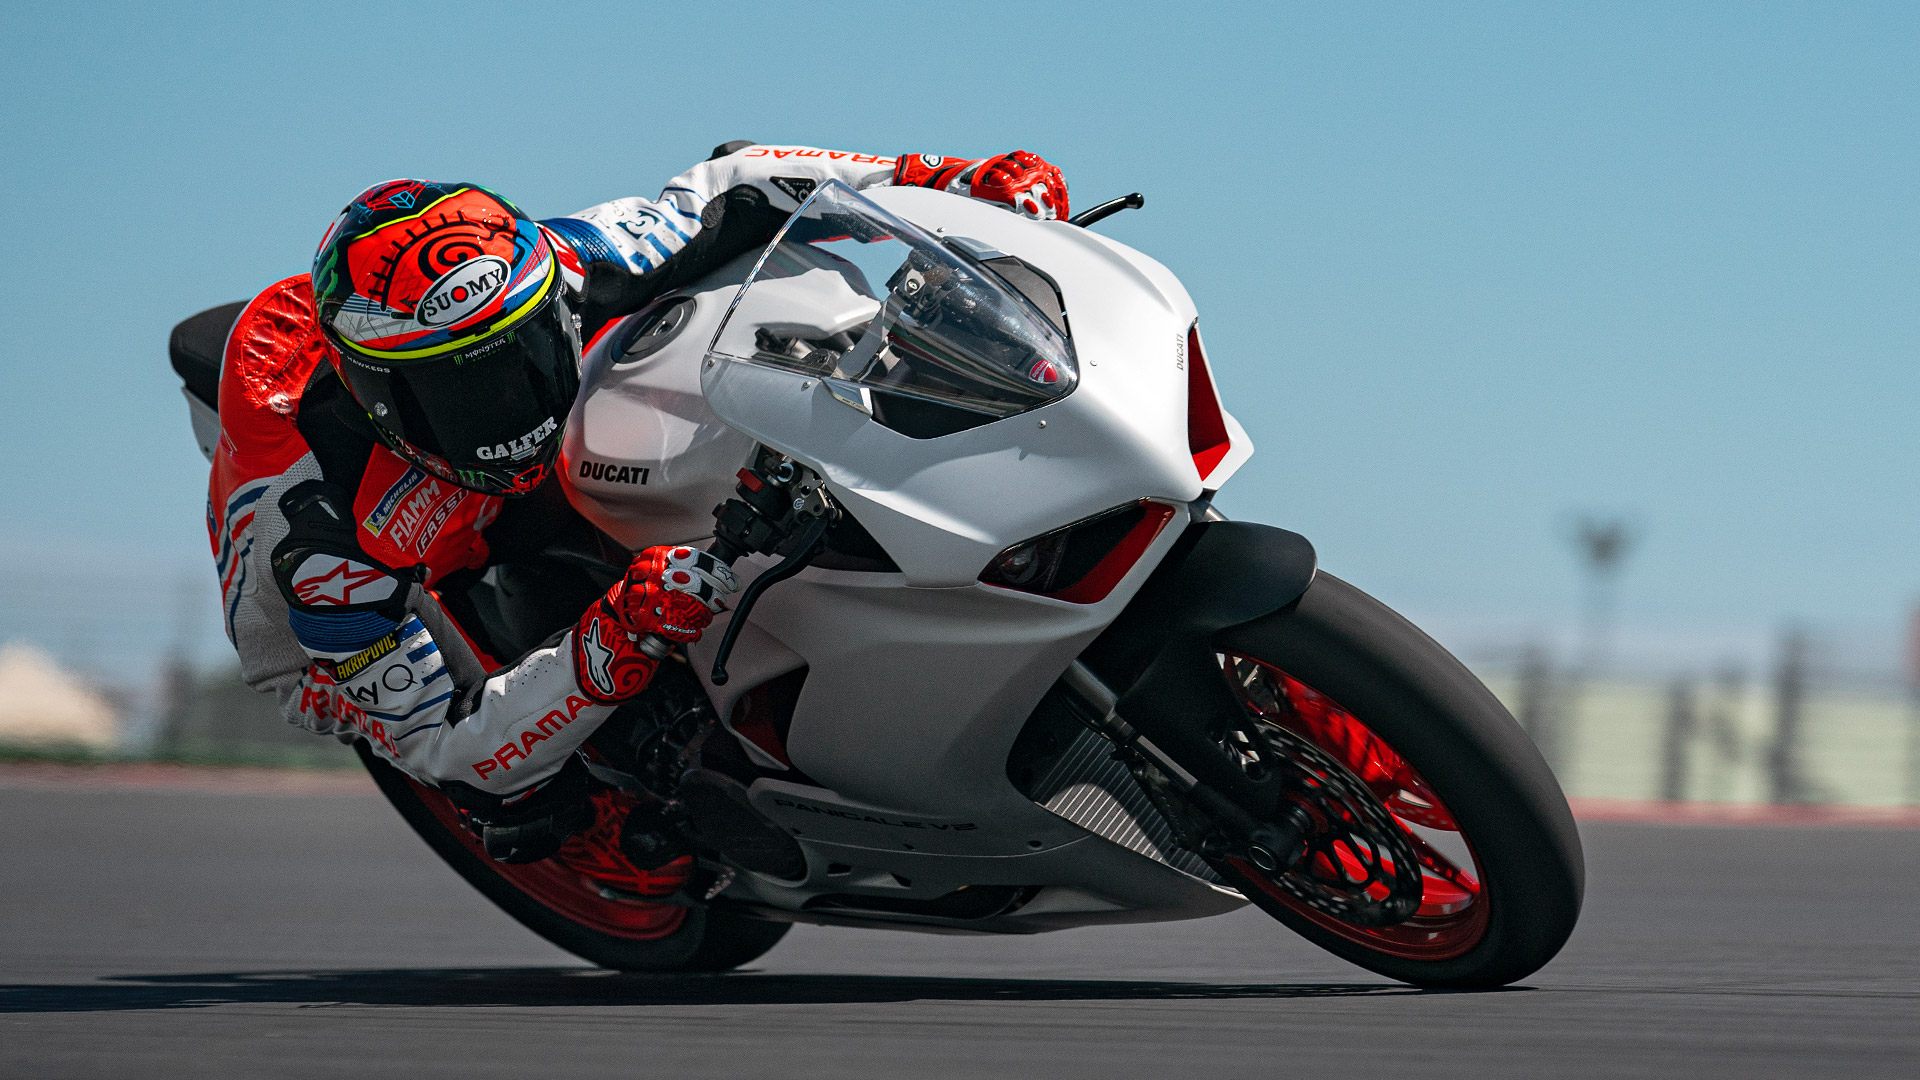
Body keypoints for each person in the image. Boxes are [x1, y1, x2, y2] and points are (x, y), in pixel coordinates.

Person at [204, 143, 1069, 883]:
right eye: (465, 395)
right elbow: (447, 743)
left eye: (528, 354)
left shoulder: (555, 262)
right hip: (358, 602)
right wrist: (616, 634)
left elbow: (732, 185)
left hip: (531, 482)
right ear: (376, 396)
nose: (512, 408)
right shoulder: (317, 542)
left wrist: (943, 177)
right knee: (511, 796)